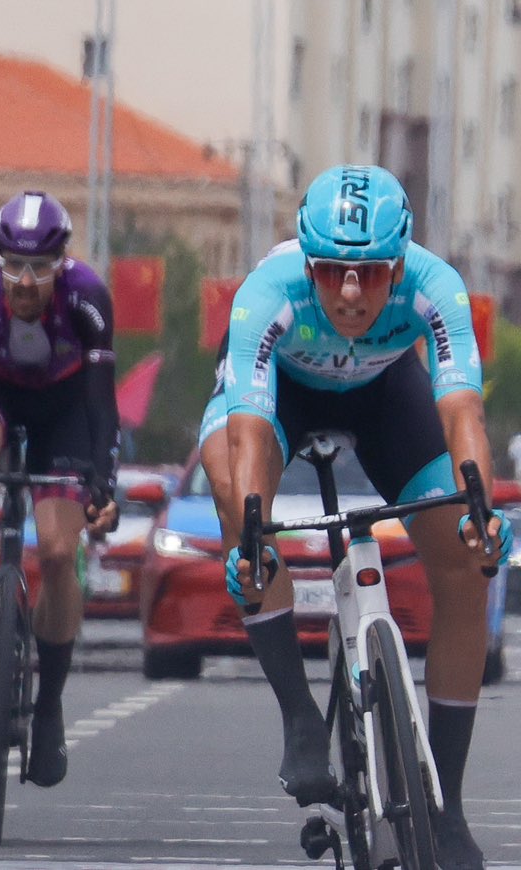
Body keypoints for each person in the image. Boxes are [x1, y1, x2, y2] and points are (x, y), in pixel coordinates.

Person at [206, 165, 507, 870]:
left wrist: (480, 510)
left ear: (400, 263)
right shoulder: (266, 294)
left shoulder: (437, 286)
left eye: (371, 275)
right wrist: (254, 526)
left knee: (469, 562)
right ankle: (300, 718)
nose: (348, 292)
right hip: (281, 390)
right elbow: (249, 425)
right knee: (234, 496)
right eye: (331, 271)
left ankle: (448, 806)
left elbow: (461, 407)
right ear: (305, 261)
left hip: (380, 390)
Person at [0, 190, 120, 789]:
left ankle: (48, 708)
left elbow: (100, 401)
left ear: (62, 265)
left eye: (40, 268)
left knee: (61, 553)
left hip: (63, 409)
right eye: (14, 264)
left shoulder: (88, 297)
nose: (24, 281)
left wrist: (103, 480)